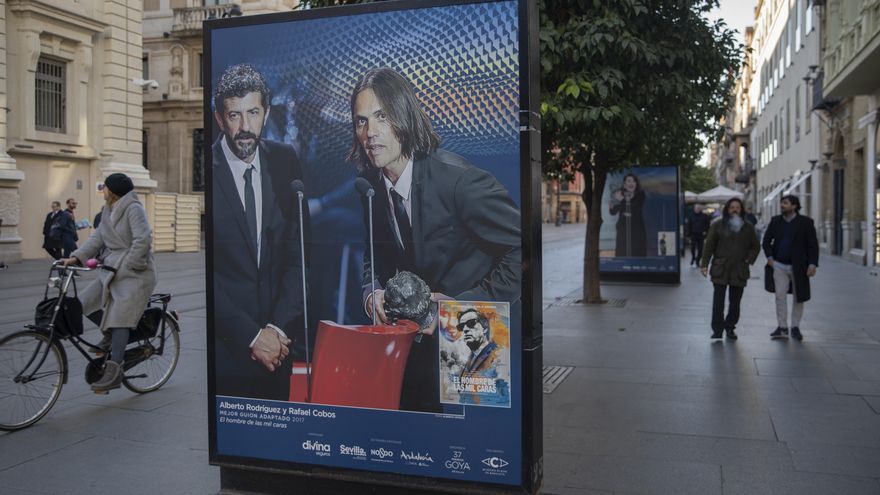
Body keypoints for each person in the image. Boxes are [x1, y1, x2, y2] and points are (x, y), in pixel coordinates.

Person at [352, 67, 521, 412]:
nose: (370, 132)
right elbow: (372, 256)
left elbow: (523, 250)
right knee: (417, 432)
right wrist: (373, 295)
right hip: (412, 354)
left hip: (470, 342)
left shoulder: (460, 182)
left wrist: (457, 309)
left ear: (404, 115)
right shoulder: (371, 187)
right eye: (361, 121)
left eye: (382, 117)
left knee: (469, 439)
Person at [211, 63, 308, 400]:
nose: (245, 127)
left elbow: (300, 254)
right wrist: (252, 337)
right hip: (228, 353)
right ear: (219, 119)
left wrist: (276, 330)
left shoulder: (285, 160)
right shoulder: (208, 169)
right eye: (234, 115)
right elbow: (208, 276)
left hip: (278, 350)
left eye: (253, 113)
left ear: (265, 113)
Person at [60, 174, 157, 393]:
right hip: (113, 268)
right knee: (83, 302)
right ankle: (111, 335)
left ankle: (114, 371)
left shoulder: (133, 208)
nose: (102, 190)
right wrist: (76, 257)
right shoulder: (108, 210)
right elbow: (98, 239)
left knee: (120, 318)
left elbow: (143, 239)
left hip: (136, 273)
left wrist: (131, 264)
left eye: (105, 187)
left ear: (112, 190)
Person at [700, 198, 760, 340]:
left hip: (739, 269)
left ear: (741, 210)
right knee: (718, 302)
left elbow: (756, 246)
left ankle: (730, 327)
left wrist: (748, 259)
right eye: (732, 207)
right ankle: (717, 330)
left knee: (735, 303)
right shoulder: (717, 225)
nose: (734, 210)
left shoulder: (748, 227)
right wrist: (704, 264)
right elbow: (709, 246)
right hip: (721, 267)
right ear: (727, 209)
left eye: (737, 207)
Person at [762, 195, 819, 341]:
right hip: (779, 265)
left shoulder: (806, 222)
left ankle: (795, 327)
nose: (782, 205)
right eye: (782, 203)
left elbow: (813, 245)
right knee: (779, 296)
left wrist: (812, 264)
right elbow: (766, 240)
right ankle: (782, 327)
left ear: (794, 206)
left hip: (799, 266)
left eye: (785, 203)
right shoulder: (776, 221)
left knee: (799, 297)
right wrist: (770, 258)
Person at [608, 173, 647, 257]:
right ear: (625, 185)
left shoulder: (640, 195)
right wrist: (611, 207)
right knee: (622, 253)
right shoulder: (620, 194)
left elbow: (636, 208)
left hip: (637, 230)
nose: (631, 183)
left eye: (633, 181)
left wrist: (622, 200)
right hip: (623, 230)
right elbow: (613, 211)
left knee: (636, 254)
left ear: (636, 184)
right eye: (629, 181)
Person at [458, 308, 504, 376]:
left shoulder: (497, 355)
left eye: (471, 323)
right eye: (461, 326)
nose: (465, 329)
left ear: (485, 328)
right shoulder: (470, 358)